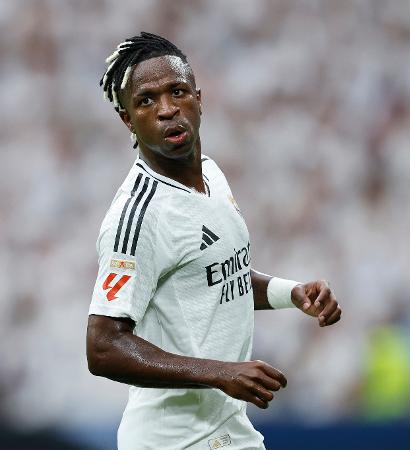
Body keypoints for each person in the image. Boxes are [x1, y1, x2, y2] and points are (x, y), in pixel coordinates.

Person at [86, 32, 342, 450]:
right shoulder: (138, 216)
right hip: (172, 441)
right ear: (128, 121)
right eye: (146, 101)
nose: (168, 109)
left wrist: (290, 292)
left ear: (199, 99)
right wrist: (220, 372)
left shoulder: (212, 175)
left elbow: (218, 277)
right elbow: (102, 346)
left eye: (177, 91)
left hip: (227, 430)